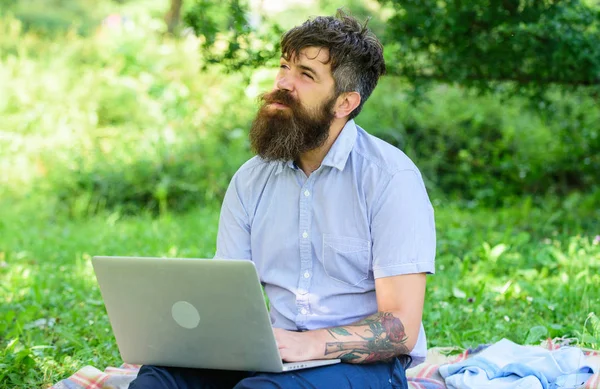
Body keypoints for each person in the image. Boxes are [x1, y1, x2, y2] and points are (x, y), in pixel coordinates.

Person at [130, 9, 435, 389]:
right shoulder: (251, 178)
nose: (283, 83)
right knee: (157, 380)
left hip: (362, 365)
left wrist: (308, 344)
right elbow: (226, 294)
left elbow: (401, 328)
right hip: (270, 349)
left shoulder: (390, 179)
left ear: (345, 103)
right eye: (284, 67)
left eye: (306, 76)